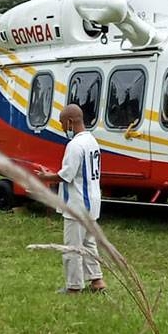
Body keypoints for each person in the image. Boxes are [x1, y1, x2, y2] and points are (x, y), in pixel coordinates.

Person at [37, 104, 106, 293]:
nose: (61, 127)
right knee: (89, 243)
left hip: (77, 203)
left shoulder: (75, 145)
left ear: (69, 122)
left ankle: (74, 286)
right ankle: (97, 280)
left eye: (61, 123)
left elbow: (67, 175)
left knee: (72, 247)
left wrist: (47, 177)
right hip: (92, 200)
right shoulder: (92, 140)